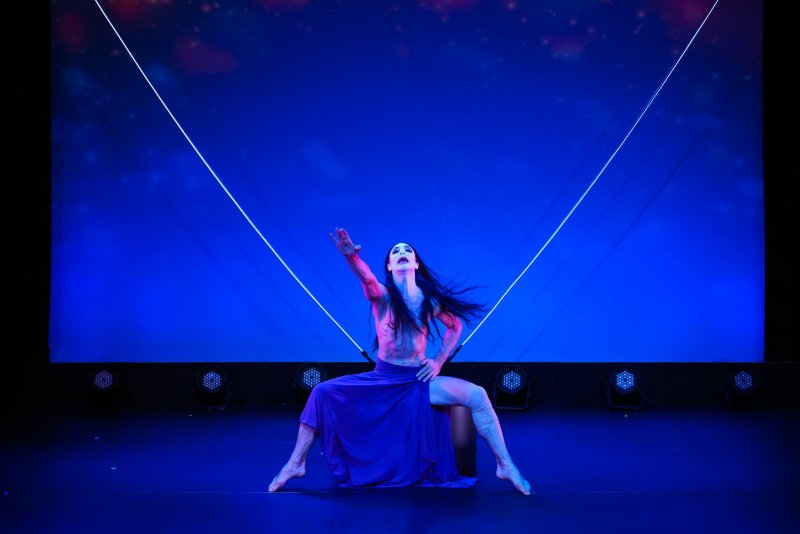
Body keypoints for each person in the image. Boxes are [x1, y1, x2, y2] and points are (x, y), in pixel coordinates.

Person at [268, 227, 530, 495]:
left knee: (478, 395)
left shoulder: (430, 301)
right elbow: (368, 280)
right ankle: (295, 463)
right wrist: (351, 258)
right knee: (322, 392)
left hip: (417, 381)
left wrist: (439, 361)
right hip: (383, 379)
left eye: (408, 251)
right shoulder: (382, 295)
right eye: (396, 252)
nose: (402, 253)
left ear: (415, 263)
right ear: (390, 266)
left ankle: (505, 464)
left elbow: (455, 326)